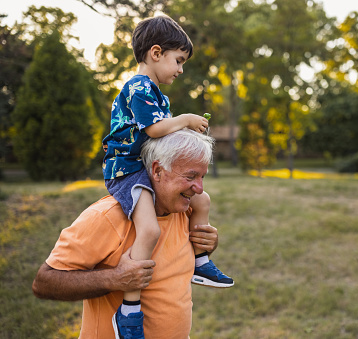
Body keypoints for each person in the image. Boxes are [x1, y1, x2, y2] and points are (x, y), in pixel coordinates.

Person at [100, 15, 233, 338]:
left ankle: (199, 262)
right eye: (179, 60)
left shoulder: (158, 95)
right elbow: (155, 130)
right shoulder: (138, 87)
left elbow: (164, 139)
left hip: (148, 166)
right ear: (156, 53)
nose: (181, 69)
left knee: (202, 199)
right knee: (148, 230)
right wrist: (186, 119)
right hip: (127, 170)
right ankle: (129, 309)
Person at [32, 129, 224, 338]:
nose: (199, 188)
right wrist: (114, 279)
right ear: (157, 171)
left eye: (202, 176)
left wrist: (203, 248)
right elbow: (44, 283)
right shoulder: (106, 216)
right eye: (191, 176)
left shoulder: (185, 211)